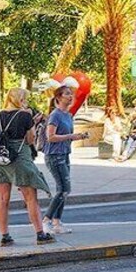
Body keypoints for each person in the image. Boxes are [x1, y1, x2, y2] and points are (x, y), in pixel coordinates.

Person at [0, 88, 55, 246]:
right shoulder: (25, 115)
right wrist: (32, 123)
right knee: (30, 198)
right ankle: (40, 234)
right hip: (20, 159)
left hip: (0, 160)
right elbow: (30, 139)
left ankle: (5, 236)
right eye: (24, 99)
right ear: (20, 100)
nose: (26, 102)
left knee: (2, 199)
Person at [42, 85, 89, 235]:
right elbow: (51, 137)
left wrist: (79, 137)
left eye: (71, 94)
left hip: (64, 154)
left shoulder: (68, 116)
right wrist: (70, 136)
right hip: (54, 155)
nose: (70, 97)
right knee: (64, 189)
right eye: (67, 94)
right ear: (58, 98)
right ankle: (46, 220)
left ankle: (57, 222)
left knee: (62, 190)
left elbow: (67, 136)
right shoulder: (55, 115)